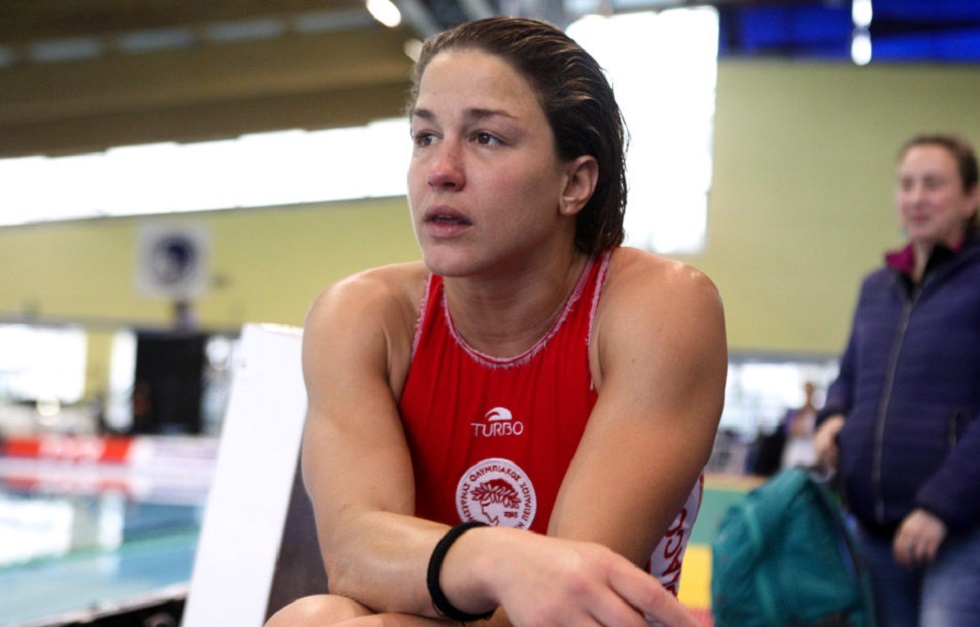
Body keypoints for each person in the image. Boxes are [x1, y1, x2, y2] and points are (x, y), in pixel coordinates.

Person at [266, 16, 727, 627]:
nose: (441, 169)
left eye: (485, 138)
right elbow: (355, 555)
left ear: (574, 183)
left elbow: (562, 603)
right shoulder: (362, 317)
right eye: (425, 136)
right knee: (313, 617)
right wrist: (496, 557)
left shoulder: (661, 309)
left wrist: (493, 564)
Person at [814, 133, 980, 627]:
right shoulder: (876, 288)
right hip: (876, 528)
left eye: (933, 184)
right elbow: (849, 376)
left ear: (971, 197)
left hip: (963, 529)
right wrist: (833, 416)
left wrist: (941, 506)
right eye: (906, 184)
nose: (916, 197)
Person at [779, 380, 819, 470]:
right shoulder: (795, 412)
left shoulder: (817, 413)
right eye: (807, 391)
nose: (808, 393)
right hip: (796, 451)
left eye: (810, 391)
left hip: (811, 451)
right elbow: (789, 430)